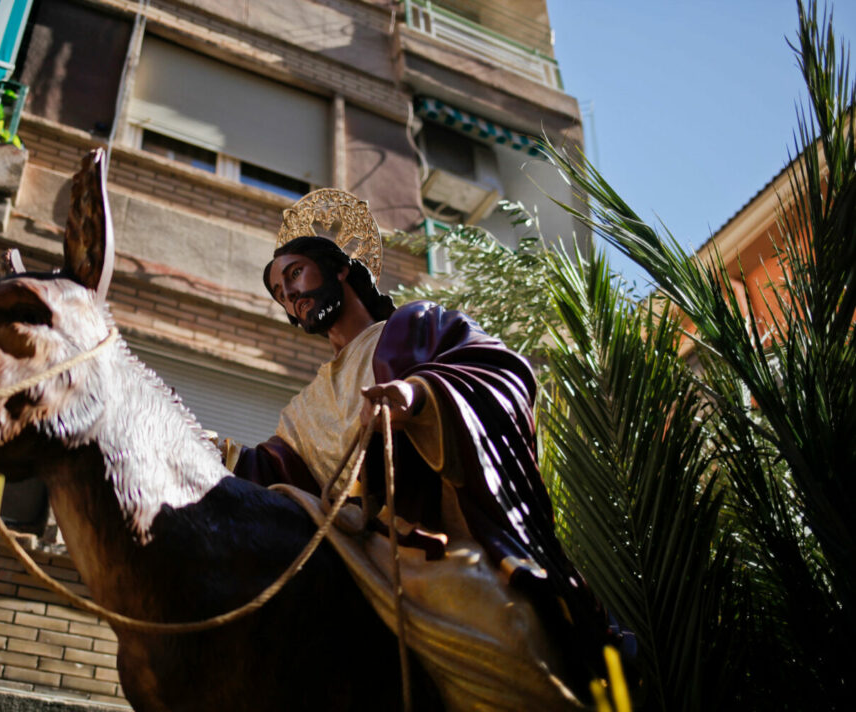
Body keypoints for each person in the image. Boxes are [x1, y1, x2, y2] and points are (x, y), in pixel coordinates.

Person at [229, 204, 620, 694]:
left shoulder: (418, 327)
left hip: (427, 547)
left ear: (341, 269)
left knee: (500, 630)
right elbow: (275, 473)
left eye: (295, 275)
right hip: (345, 555)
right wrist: (206, 450)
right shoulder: (304, 407)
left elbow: (505, 374)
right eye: (281, 294)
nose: (291, 298)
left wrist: (419, 396)